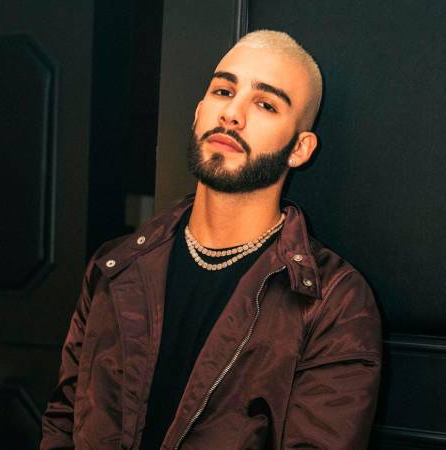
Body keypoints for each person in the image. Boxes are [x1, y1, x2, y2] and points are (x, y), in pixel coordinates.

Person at [41, 30, 382, 450]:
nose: (232, 114)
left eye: (265, 104)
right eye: (224, 91)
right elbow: (63, 421)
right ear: (199, 112)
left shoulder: (335, 301)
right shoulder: (115, 265)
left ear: (300, 148)